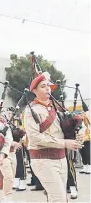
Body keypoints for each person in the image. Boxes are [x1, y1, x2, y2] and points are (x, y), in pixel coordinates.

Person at [24, 73, 85, 202]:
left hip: (61, 158)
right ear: (34, 91)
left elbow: (69, 126)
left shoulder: (56, 108)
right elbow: (35, 137)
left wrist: (78, 131)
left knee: (58, 198)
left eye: (48, 86)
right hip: (43, 160)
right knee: (59, 199)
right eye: (43, 86)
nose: (47, 89)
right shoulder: (31, 110)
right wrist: (64, 143)